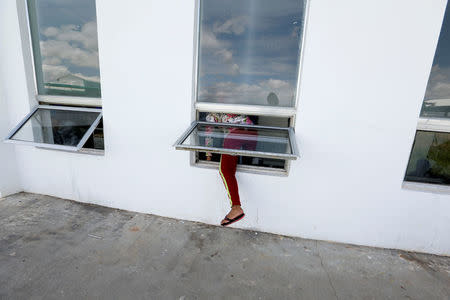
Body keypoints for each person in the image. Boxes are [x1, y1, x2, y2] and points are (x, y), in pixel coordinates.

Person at [204, 113, 257, 226]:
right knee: (235, 168)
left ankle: (236, 208)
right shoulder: (231, 102)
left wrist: (208, 156)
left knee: (225, 170)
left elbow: (209, 134)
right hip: (253, 132)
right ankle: (236, 207)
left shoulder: (212, 113)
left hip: (235, 135)